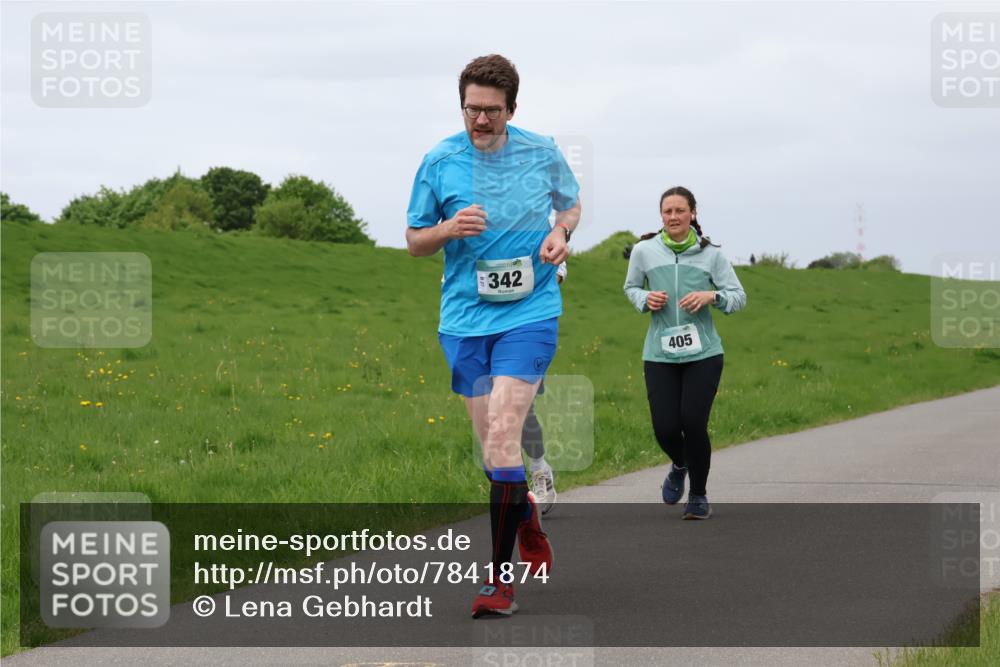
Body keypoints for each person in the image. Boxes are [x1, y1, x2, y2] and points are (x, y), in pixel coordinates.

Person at [406, 55, 581, 617]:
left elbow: (571, 205)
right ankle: (525, 515)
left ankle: (499, 582)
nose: (480, 120)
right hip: (463, 320)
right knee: (493, 455)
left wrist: (559, 231)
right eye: (472, 109)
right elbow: (414, 240)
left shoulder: (540, 150)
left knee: (506, 435)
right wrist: (448, 229)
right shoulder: (439, 161)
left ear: (512, 109)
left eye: (491, 111)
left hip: (530, 312)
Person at [623, 186, 746, 519]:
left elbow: (737, 296)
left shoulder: (712, 254)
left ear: (693, 213)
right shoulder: (644, 251)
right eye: (667, 211)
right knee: (664, 427)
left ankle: (699, 496)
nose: (673, 217)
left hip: (703, 353)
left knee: (693, 422)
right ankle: (680, 464)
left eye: (680, 210)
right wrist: (644, 300)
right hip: (659, 354)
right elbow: (631, 287)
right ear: (661, 216)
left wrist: (712, 297)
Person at [521, 261, 566, 516]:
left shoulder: (539, 225)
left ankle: (538, 469)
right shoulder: (473, 225)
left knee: (522, 407)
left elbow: (558, 272)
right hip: (481, 327)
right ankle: (510, 485)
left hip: (525, 327)